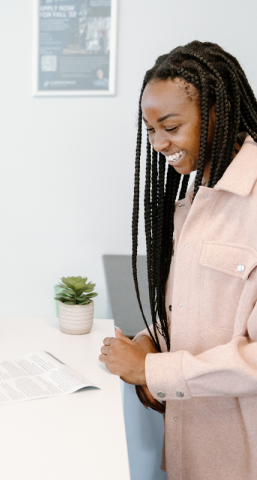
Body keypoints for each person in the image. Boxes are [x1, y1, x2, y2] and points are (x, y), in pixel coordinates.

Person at [99, 41, 257, 479]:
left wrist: (152, 368)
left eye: (169, 126)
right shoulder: (195, 192)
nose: (158, 144)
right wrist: (153, 339)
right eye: (150, 130)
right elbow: (197, 307)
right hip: (194, 443)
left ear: (216, 114)